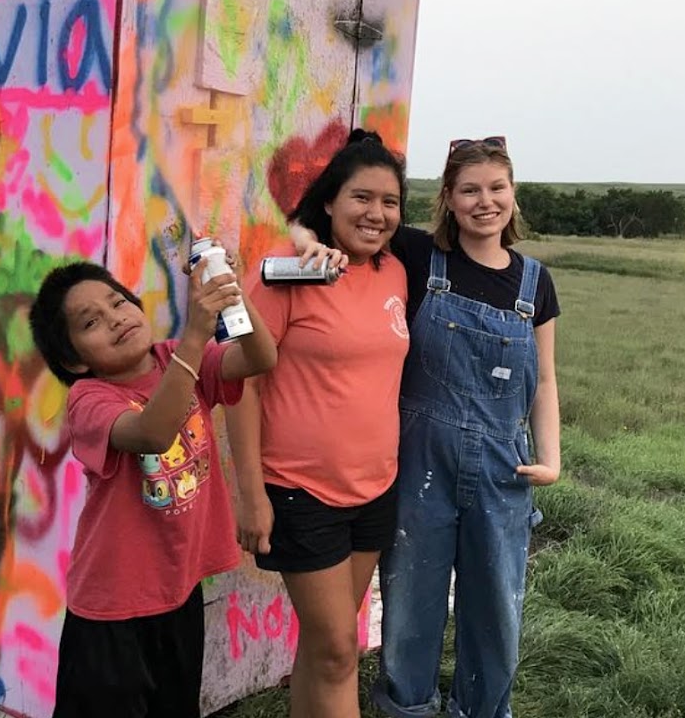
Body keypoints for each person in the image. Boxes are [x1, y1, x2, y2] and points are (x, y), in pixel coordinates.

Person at [29, 257, 277, 717]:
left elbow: (261, 358)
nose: (116, 318)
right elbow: (152, 434)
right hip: (111, 611)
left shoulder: (175, 359)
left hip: (178, 592)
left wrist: (233, 292)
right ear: (73, 358)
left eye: (118, 302)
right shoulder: (89, 400)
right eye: (91, 322)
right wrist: (197, 336)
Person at [371, 136, 562, 718]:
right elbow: (333, 217)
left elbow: (546, 382)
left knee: (495, 612)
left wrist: (550, 459)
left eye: (497, 188)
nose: (486, 202)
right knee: (411, 604)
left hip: (506, 465)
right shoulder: (420, 257)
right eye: (470, 190)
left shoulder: (535, 282)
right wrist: (311, 246)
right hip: (421, 460)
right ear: (448, 199)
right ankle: (407, 708)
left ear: (513, 194)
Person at [226, 129, 410, 718]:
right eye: (361, 197)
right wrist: (251, 495)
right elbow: (241, 382)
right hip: (301, 490)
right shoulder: (286, 274)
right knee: (337, 652)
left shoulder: (397, 273)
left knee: (325, 649)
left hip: (377, 487)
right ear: (330, 200)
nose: (376, 213)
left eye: (389, 201)